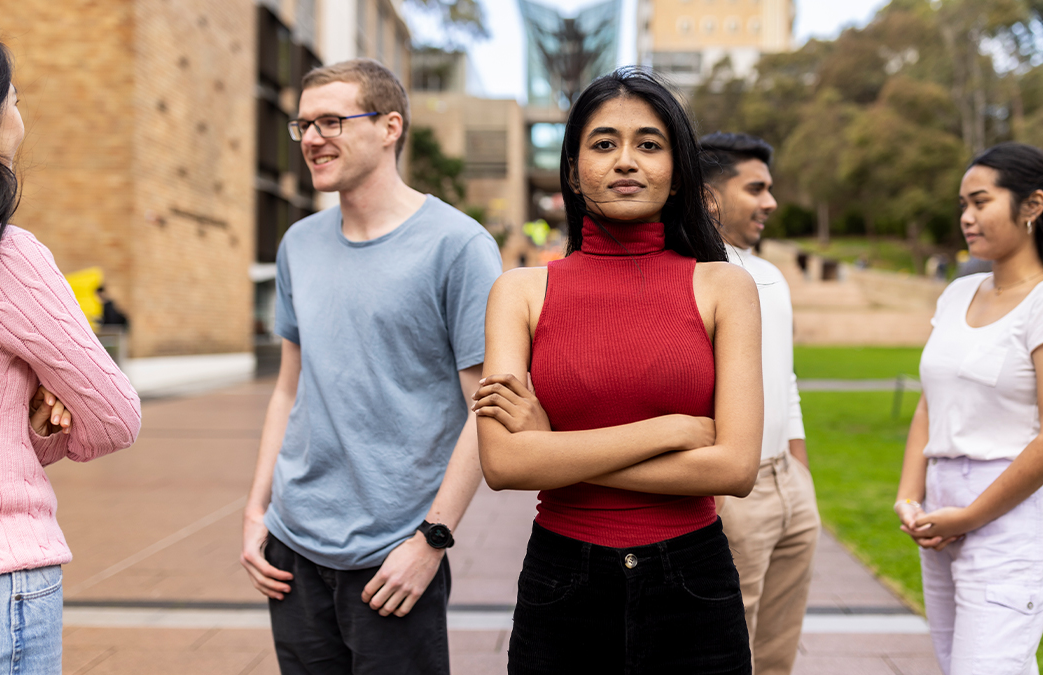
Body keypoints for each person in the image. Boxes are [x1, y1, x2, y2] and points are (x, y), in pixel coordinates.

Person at [473, 68, 764, 674]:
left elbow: (734, 468)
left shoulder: (724, 287)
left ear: (678, 170)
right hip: (562, 582)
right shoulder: (520, 292)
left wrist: (552, 447)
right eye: (603, 144)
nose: (626, 161)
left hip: (692, 581)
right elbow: (504, 464)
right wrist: (674, 430)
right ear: (574, 172)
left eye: (649, 145)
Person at [238, 59, 501, 674]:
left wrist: (432, 541)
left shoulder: (458, 247)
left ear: (390, 126)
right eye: (302, 124)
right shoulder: (298, 243)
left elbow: (486, 410)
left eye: (331, 120)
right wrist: (257, 511)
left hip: (395, 555)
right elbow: (288, 390)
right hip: (293, 545)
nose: (310, 138)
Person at [895, 142, 1043, 675]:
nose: (966, 217)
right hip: (941, 508)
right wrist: (909, 494)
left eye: (980, 202)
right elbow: (931, 403)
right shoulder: (958, 294)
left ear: (1032, 205)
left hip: (1012, 516)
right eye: (962, 204)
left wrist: (970, 516)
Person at [0, 32, 142, 674]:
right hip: (2, 573)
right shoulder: (8, 256)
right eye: (16, 100)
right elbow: (114, 415)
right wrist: (30, 427)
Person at [701, 131, 819, 675]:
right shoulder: (691, 276)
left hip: (788, 486)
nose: (771, 202)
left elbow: (785, 379)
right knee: (725, 649)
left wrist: (798, 472)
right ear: (709, 196)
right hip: (728, 493)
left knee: (777, 653)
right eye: (756, 188)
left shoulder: (770, 274)